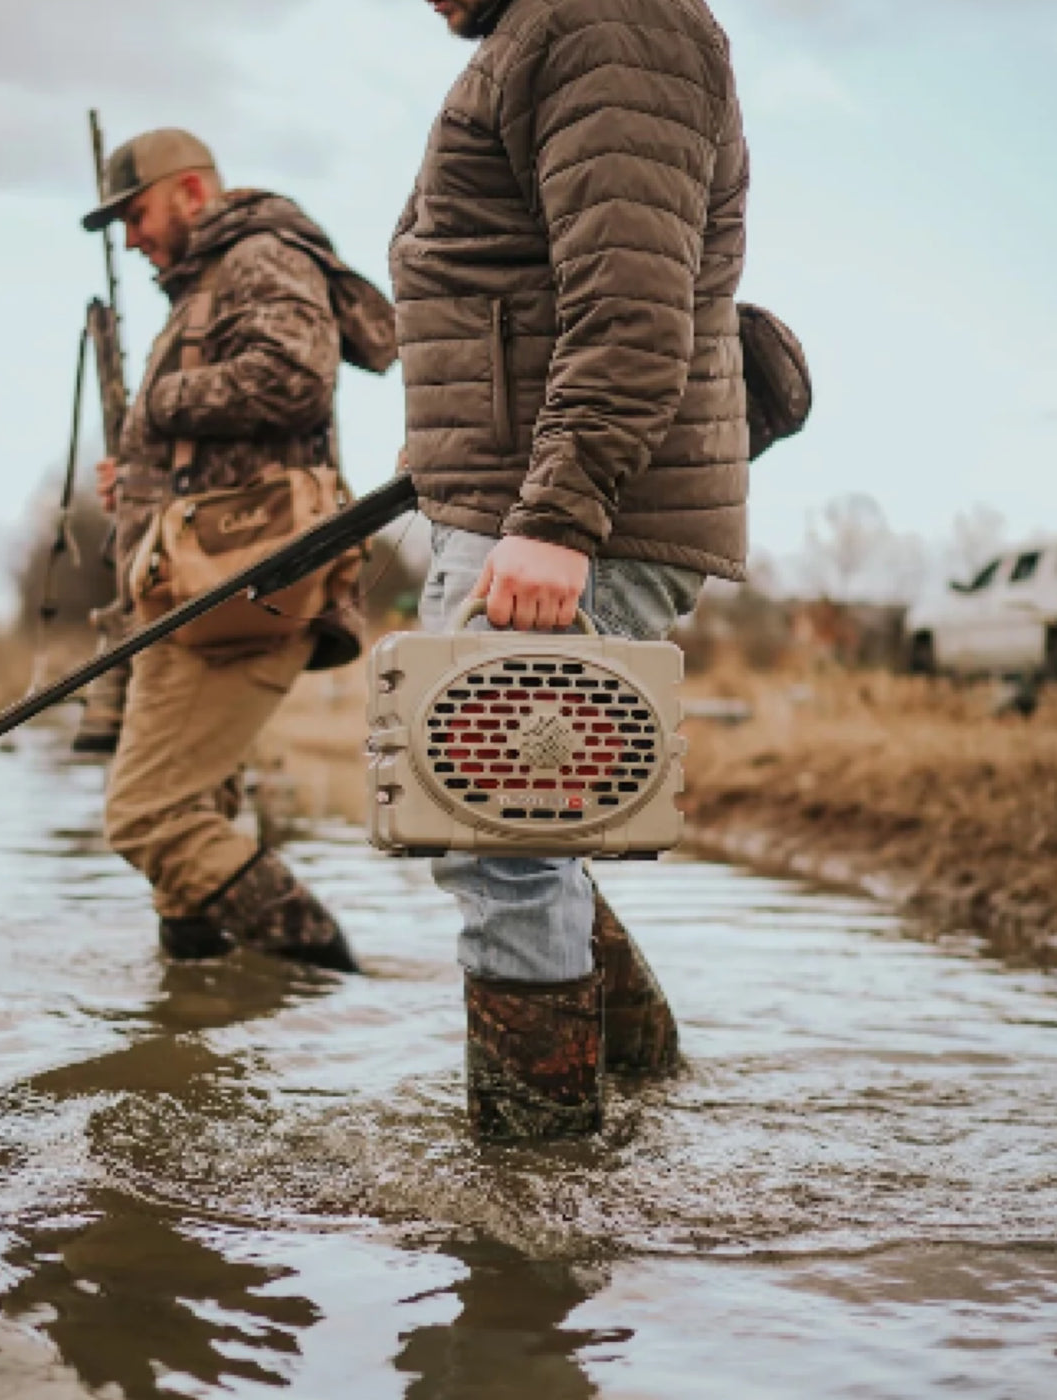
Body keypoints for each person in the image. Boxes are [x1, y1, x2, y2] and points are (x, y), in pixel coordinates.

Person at [392, 0, 750, 1138]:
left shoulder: (603, 19)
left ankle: (533, 1192)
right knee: (504, 824)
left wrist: (555, 512)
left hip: (555, 517)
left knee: (497, 841)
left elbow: (632, 303)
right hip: (517, 500)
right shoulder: (556, 29)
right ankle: (641, 1094)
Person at [85, 128, 397, 972]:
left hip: (231, 588)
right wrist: (144, 475)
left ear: (190, 192)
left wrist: (155, 407)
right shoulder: (209, 284)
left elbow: (296, 377)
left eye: (137, 213)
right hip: (198, 587)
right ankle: (204, 1032)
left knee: (148, 816)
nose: (132, 237)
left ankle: (330, 980)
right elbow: (226, 437)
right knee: (190, 844)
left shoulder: (261, 254)